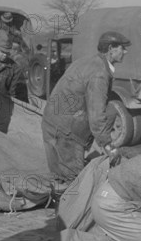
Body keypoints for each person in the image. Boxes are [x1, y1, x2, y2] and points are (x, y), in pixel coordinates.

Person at [41, 31, 131, 183]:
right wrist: (109, 146)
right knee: (75, 183)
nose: (125, 51)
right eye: (122, 48)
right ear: (111, 49)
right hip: (65, 133)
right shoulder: (99, 74)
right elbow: (96, 117)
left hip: (52, 124)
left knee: (59, 178)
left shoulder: (88, 61)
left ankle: (60, 202)